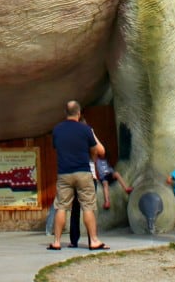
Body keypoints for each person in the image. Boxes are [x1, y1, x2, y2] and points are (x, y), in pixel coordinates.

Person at [48, 100, 110, 251]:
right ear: (79, 113)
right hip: (83, 172)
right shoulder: (85, 130)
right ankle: (94, 240)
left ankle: (56, 241)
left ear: (65, 113)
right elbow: (101, 151)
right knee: (88, 207)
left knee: (61, 207)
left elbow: (56, 146)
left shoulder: (57, 130)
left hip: (64, 173)